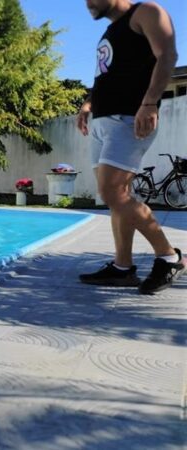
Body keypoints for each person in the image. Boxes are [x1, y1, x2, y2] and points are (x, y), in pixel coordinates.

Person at [77, 0, 184, 293]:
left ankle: (169, 256)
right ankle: (122, 268)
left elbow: (167, 56)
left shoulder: (146, 12)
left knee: (112, 192)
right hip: (103, 122)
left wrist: (149, 103)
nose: (88, 3)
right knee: (117, 198)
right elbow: (105, 77)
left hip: (129, 119)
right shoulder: (110, 32)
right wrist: (87, 104)